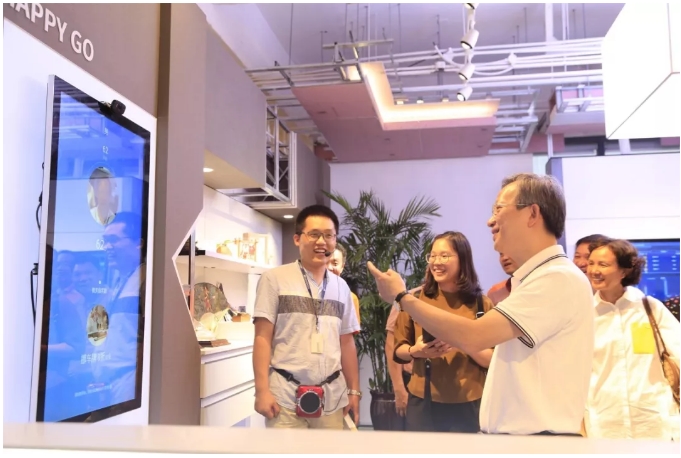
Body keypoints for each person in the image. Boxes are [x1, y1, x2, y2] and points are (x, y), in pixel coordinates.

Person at [368, 173, 594, 436]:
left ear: (533, 214)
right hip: (518, 437)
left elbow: (475, 337)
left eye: (499, 209)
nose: (490, 221)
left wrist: (401, 297)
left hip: (536, 441)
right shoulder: (535, 278)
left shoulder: (556, 278)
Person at [253, 205, 361, 429]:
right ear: (297, 239)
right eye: (314, 234)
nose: (322, 241)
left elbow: (347, 342)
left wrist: (353, 391)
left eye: (329, 235)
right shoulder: (274, 279)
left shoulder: (341, 287)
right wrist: (261, 391)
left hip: (332, 397)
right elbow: (262, 338)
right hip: (284, 397)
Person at [393, 231, 495, 433]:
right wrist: (417, 351)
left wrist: (460, 340)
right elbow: (398, 351)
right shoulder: (415, 300)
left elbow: (492, 359)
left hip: (469, 401)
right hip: (423, 400)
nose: (436, 262)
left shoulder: (481, 304)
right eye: (432, 256)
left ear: (462, 259)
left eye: (444, 256)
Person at [584, 238, 680, 441]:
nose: (594, 270)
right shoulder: (583, 314)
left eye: (603, 264)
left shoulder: (649, 307)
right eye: (591, 263)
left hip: (652, 419)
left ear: (624, 271)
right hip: (605, 421)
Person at [327, 243, 360, 326]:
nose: (329, 267)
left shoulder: (350, 298)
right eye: (325, 262)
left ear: (342, 267)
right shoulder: (306, 293)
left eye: (335, 263)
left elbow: (351, 331)